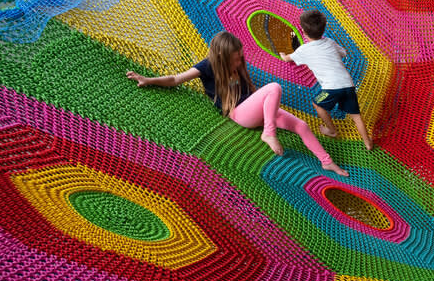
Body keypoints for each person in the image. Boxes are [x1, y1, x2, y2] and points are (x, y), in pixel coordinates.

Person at [126, 31, 348, 177]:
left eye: (240, 56)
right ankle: (268, 133)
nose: (240, 61)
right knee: (274, 87)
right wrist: (148, 80)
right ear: (221, 55)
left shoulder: (238, 63)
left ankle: (326, 161)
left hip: (257, 108)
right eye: (235, 58)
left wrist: (264, 104)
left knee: (301, 125)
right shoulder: (206, 66)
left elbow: (252, 91)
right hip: (239, 113)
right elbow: (175, 79)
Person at [280, 9, 373, 151]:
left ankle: (332, 130)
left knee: (317, 104)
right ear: (323, 29)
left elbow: (287, 59)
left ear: (303, 31)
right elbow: (344, 53)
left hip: (331, 88)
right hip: (348, 84)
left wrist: (282, 54)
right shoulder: (329, 42)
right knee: (356, 116)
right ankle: (368, 143)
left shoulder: (303, 50)